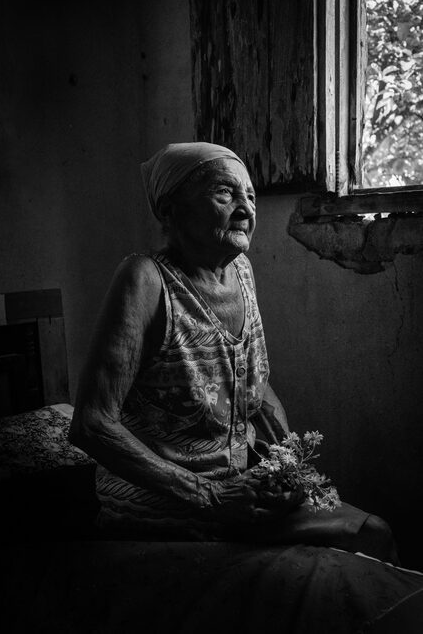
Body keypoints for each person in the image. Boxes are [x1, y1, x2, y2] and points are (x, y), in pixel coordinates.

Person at [69, 142, 397, 563]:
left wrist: (288, 464)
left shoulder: (240, 270)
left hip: (237, 486)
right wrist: (209, 494)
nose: (245, 208)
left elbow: (251, 384)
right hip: (164, 499)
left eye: (250, 196)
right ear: (169, 211)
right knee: (360, 541)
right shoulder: (145, 280)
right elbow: (91, 424)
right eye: (224, 194)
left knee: (372, 533)